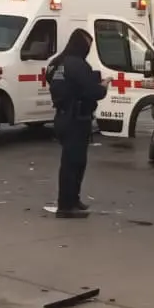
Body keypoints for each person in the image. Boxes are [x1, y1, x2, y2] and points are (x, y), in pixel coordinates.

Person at [46, 29, 110, 217]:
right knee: (73, 163)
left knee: (73, 161)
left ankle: (73, 199)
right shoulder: (77, 65)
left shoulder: (57, 63)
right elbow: (95, 92)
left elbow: (53, 80)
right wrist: (103, 86)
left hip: (63, 115)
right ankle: (66, 205)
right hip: (76, 117)